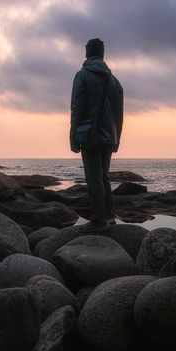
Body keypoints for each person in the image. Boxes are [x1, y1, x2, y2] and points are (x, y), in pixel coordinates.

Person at [70, 38, 123, 231]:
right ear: (102, 54)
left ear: (88, 53)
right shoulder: (115, 82)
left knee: (94, 179)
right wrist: (117, 138)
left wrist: (73, 137)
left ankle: (98, 220)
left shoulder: (82, 76)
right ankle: (109, 216)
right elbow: (119, 115)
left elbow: (76, 108)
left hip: (89, 134)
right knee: (104, 177)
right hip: (109, 136)